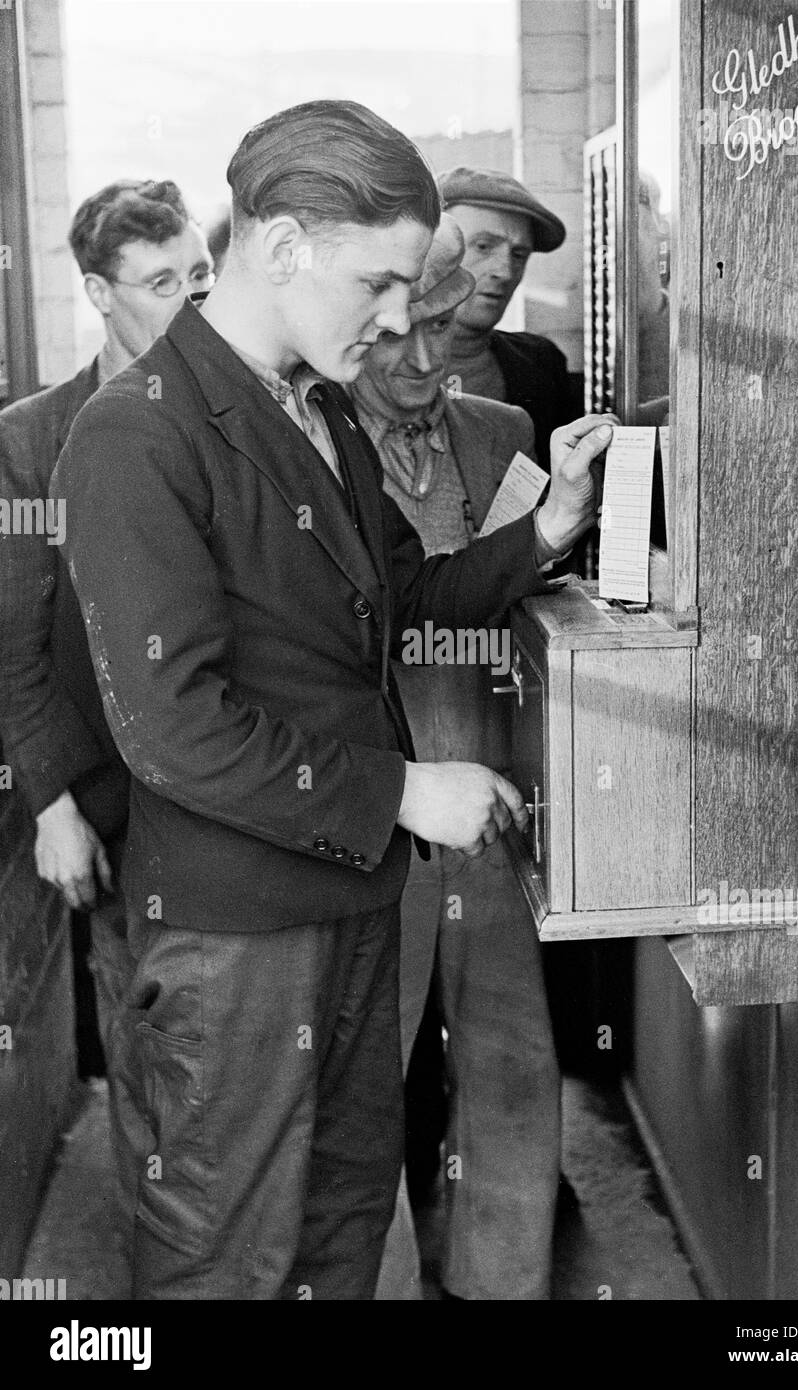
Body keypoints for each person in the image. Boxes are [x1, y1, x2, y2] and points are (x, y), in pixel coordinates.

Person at [50, 99, 612, 1301]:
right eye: (383, 282)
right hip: (239, 939)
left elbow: (400, 595)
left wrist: (547, 528)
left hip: (353, 898)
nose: (409, 318)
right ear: (286, 245)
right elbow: (171, 726)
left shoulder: (317, 411)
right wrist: (407, 787)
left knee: (340, 1228)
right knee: (227, 1253)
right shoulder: (132, 438)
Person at [353, 216, 561, 1301]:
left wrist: (569, 528)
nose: (427, 363)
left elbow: (537, 604)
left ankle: (502, 1282)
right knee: (363, 1087)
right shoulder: (307, 438)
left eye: (446, 331)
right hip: (372, 820)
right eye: (404, 335)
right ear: (365, 322)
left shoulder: (502, 426)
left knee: (513, 1062)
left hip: (494, 799)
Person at [0, 178, 214, 1226]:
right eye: (163, 281)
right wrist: (50, 806)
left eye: (201, 275)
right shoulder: (33, 439)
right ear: (98, 291)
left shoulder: (241, 407)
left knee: (244, 1059)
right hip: (112, 801)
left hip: (235, 792)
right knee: (142, 1041)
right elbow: (14, 640)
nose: (191, 301)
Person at [438, 165, 583, 467]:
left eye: (518, 255)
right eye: (483, 246)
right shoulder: (365, 366)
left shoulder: (540, 364)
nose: (504, 271)